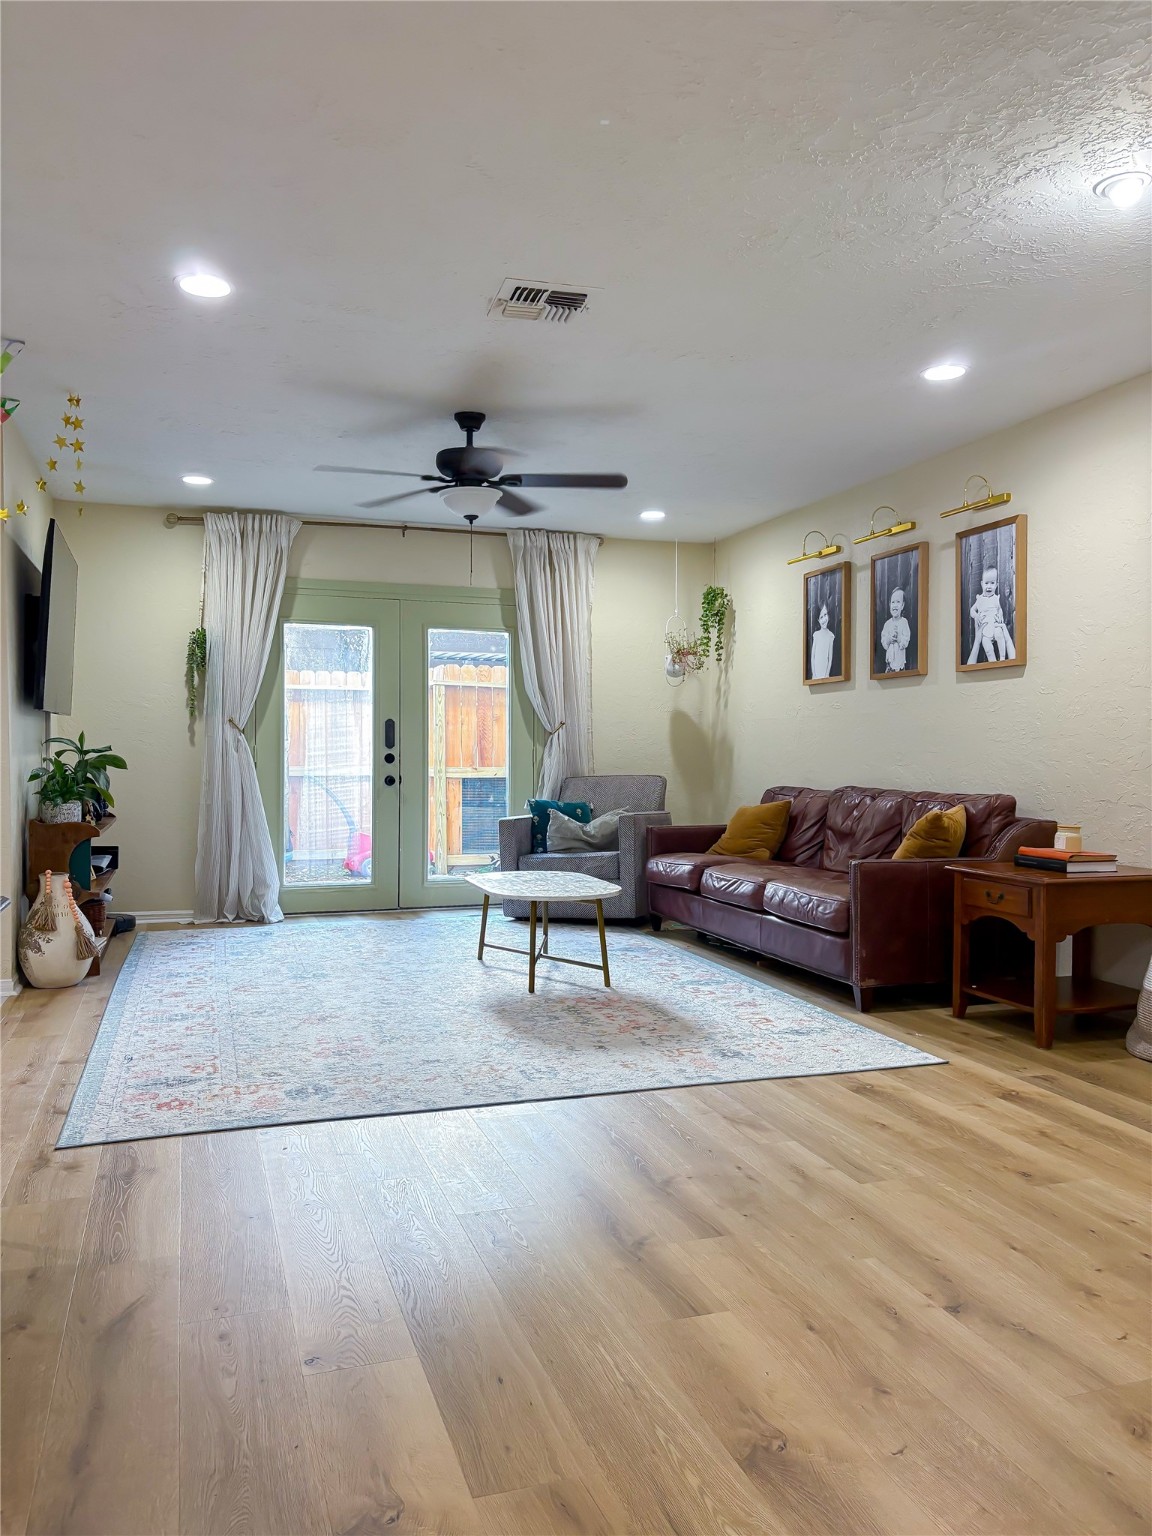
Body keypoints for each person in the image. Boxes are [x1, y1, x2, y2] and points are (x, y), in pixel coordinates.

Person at [967, 566, 1015, 664]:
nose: (989, 586)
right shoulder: (979, 599)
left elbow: (1000, 609)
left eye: (992, 583)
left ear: (996, 585)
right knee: (988, 648)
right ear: (982, 584)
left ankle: (1002, 657)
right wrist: (976, 616)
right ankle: (992, 661)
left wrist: (1000, 615)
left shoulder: (996, 598)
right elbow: (972, 610)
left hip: (995, 626)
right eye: (986, 583)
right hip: (984, 630)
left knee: (1000, 635)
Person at [880, 587, 911, 672]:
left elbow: (906, 640)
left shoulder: (904, 622)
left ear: (902, 605)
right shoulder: (887, 624)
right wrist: (889, 639)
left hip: (900, 662)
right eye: (893, 602)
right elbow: (884, 641)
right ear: (890, 604)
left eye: (898, 602)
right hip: (889, 663)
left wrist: (898, 639)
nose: (895, 605)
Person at [810, 601, 835, 679]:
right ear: (818, 619)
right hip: (816, 671)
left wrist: (827, 674)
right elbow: (813, 656)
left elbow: (830, 658)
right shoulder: (816, 635)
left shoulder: (831, 636)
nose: (824, 619)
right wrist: (813, 673)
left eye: (825, 615)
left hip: (824, 672)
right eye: (821, 617)